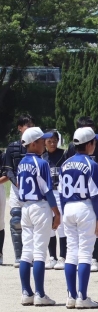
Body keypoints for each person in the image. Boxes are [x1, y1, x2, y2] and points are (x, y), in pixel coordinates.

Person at [60, 127, 98, 309]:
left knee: (71, 252)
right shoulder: (91, 164)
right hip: (85, 207)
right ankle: (82, 297)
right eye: (94, 142)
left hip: (68, 207)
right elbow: (95, 194)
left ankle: (71, 296)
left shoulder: (65, 164)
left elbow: (61, 193)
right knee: (85, 253)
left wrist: (64, 212)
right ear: (88, 144)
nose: (96, 145)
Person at [17, 127, 60, 306]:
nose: (45, 144)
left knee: (26, 252)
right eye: (42, 141)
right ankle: (40, 294)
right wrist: (56, 212)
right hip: (40, 206)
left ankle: (26, 292)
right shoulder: (41, 163)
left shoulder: (21, 163)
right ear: (33, 143)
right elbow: (48, 191)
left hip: (26, 207)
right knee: (40, 253)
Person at [65, 116, 98, 273]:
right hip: (86, 200)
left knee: (72, 252)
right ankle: (82, 291)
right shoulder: (85, 159)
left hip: (74, 201)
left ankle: (95, 258)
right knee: (83, 252)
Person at [1, 114, 35, 267]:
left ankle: (31, 255)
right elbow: (8, 169)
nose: (29, 129)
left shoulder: (37, 145)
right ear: (20, 128)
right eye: (27, 126)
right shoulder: (12, 147)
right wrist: (16, 182)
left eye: (32, 126)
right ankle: (19, 256)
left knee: (32, 221)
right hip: (16, 189)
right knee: (16, 221)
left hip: (33, 190)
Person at [42, 130, 67, 270]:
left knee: (61, 225)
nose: (52, 143)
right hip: (47, 194)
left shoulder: (64, 154)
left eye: (55, 141)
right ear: (44, 142)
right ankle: (52, 257)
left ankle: (63, 257)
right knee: (49, 225)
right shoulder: (42, 156)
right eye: (49, 141)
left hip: (60, 192)